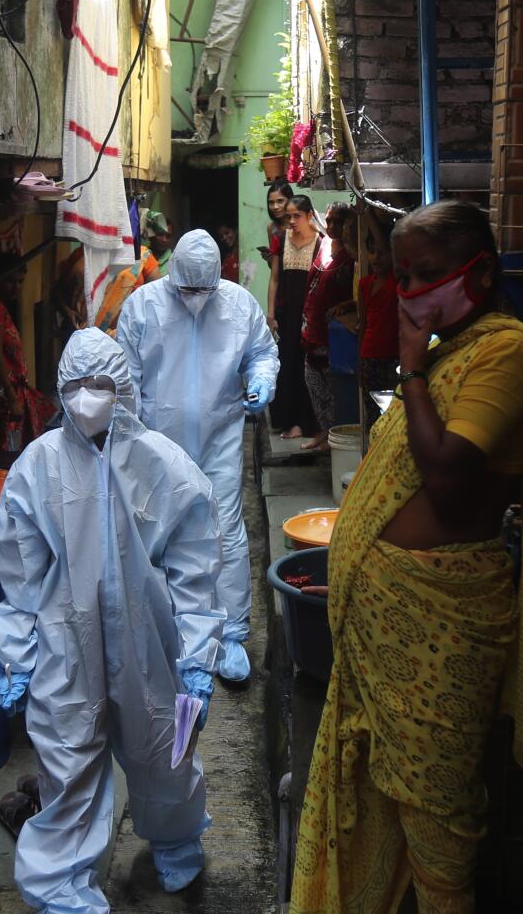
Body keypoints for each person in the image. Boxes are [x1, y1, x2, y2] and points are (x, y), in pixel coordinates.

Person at [283, 200, 523, 914]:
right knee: (376, 789)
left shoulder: (507, 353)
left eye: (419, 275)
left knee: (438, 804)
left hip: (444, 621)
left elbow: (447, 482)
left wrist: (409, 370)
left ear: (477, 273)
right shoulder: (452, 351)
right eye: (399, 274)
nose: (405, 290)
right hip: (384, 622)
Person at [0, 329, 228, 914]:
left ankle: (176, 834)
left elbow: (196, 568)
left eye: (104, 386)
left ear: (126, 390)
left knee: (163, 748)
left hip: (149, 641)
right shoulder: (35, 469)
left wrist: (201, 653)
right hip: (66, 646)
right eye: (77, 387)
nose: (91, 400)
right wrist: (16, 652)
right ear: (59, 389)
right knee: (66, 771)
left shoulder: (163, 463)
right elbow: (18, 570)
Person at [116, 231, 281, 684]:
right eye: (187, 291)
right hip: (157, 444)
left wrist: (262, 378)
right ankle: (165, 632)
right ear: (174, 279)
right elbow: (125, 377)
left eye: (202, 292)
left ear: (216, 279)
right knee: (157, 535)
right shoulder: (143, 306)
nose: (195, 300)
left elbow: (263, 353)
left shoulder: (238, 305)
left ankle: (228, 633)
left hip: (219, 437)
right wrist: (127, 439)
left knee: (224, 530)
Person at [299, 203, 358, 451]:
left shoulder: (352, 255)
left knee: (334, 388)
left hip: (332, 333)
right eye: (330, 220)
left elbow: (356, 294)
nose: (332, 226)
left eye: (338, 221)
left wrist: (344, 306)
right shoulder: (323, 244)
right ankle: (324, 432)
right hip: (312, 327)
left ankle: (334, 437)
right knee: (314, 383)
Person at [267, 194, 325, 440]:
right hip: (287, 313)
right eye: (288, 216)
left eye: (296, 216)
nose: (291, 220)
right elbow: (275, 278)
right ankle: (288, 421)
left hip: (310, 314)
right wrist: (270, 315)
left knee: (307, 365)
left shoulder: (321, 241)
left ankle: (307, 423)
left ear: (309, 215)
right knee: (287, 365)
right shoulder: (281, 238)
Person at [0, 263, 57, 451]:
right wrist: (12, 398)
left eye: (20, 282)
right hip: (6, 395)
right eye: (10, 281)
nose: (16, 287)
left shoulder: (2, 308)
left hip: (15, 391)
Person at [93, 210, 172, 332]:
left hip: (129, 331)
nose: (164, 239)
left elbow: (158, 299)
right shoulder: (93, 255)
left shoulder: (143, 257)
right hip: (91, 330)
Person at [354, 216, 399, 397]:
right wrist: (360, 362)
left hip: (395, 357)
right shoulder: (365, 284)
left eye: (381, 252)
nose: (376, 258)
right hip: (370, 357)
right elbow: (363, 325)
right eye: (371, 252)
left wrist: (368, 214)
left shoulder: (396, 280)